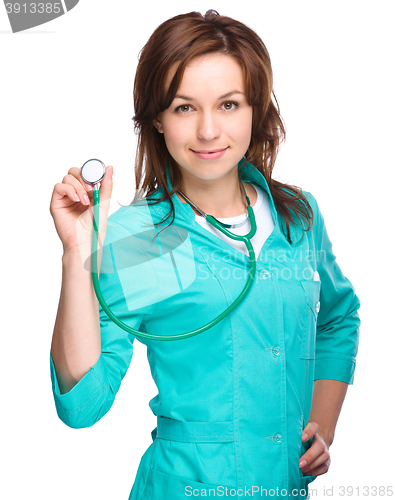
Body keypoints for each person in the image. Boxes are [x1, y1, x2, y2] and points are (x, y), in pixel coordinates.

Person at [49, 10, 361, 500]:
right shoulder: (147, 239)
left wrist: (321, 424)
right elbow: (83, 406)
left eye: (229, 104)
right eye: (184, 107)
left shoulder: (297, 216)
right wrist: (75, 255)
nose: (210, 131)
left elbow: (338, 318)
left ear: (256, 109)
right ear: (157, 117)